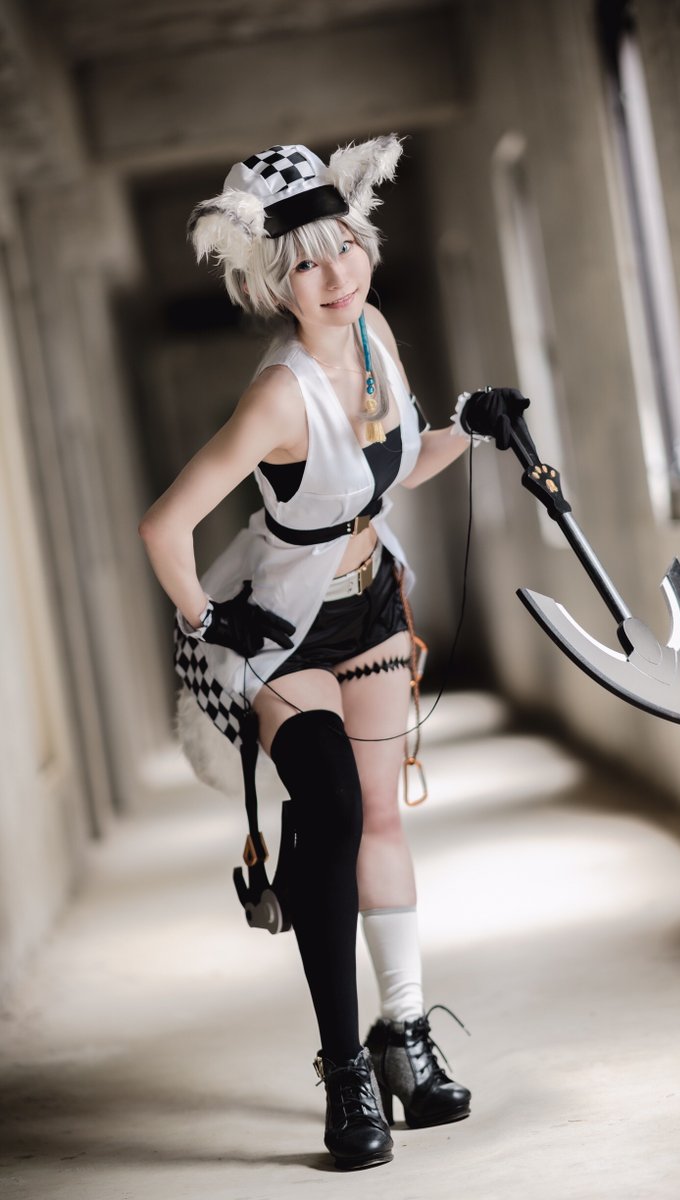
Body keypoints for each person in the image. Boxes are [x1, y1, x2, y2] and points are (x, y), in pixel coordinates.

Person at [138, 134, 528, 1170]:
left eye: (344, 247)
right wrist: (207, 619)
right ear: (274, 284)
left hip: (372, 604)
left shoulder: (375, 334)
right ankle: (345, 1071)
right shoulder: (277, 397)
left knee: (383, 817)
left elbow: (384, 476)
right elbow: (164, 527)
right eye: (305, 264)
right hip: (286, 623)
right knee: (336, 812)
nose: (335, 275)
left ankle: (404, 1037)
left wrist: (467, 425)